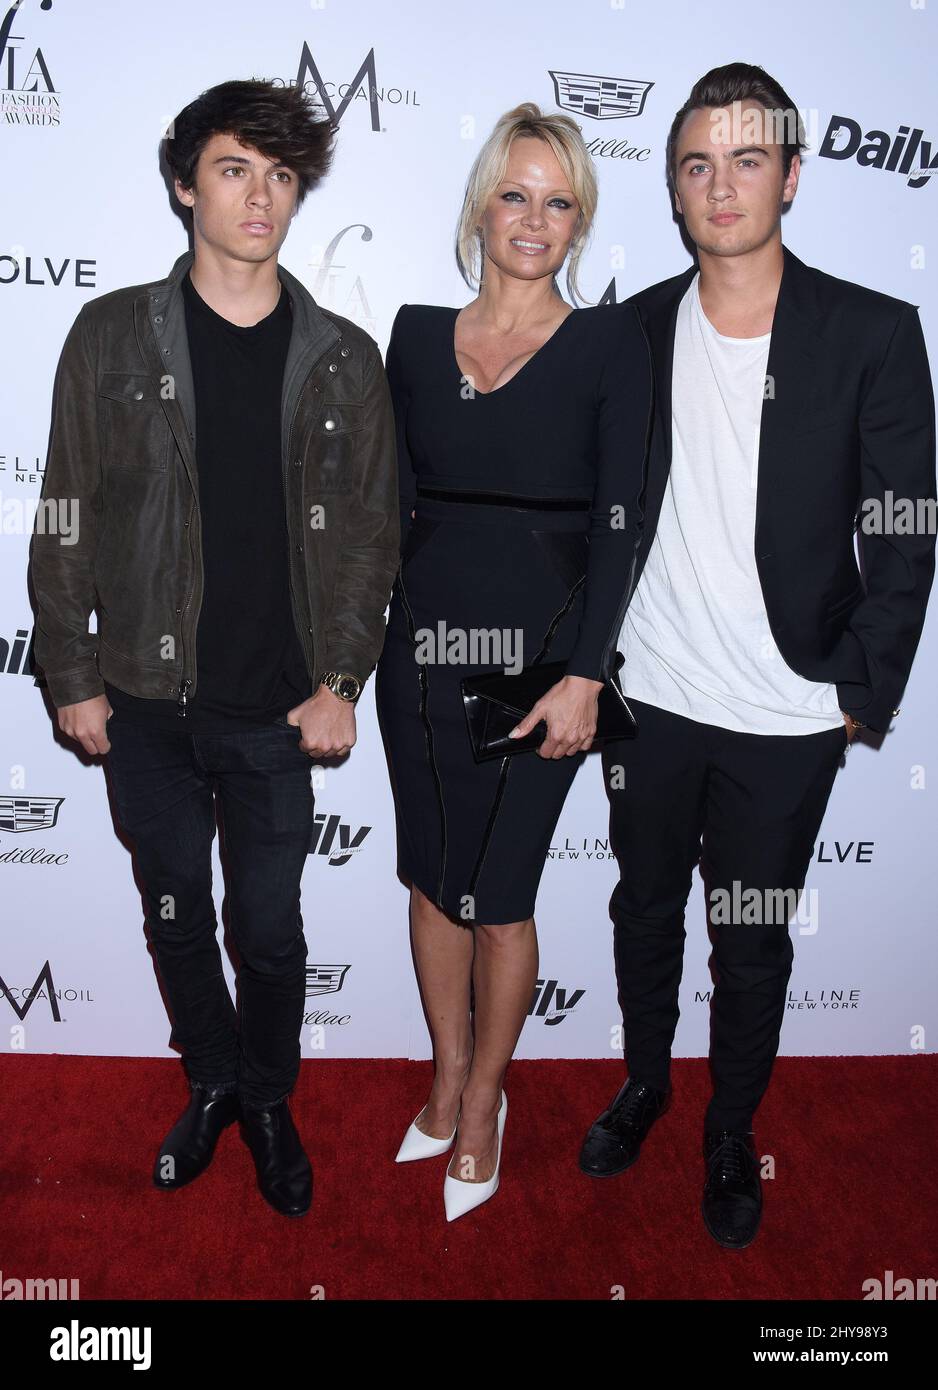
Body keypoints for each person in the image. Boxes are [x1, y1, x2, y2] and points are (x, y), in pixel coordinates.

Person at [579, 63, 936, 1248]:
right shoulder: (628, 330)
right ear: (673, 191)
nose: (719, 184)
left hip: (789, 711)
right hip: (652, 696)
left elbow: (902, 525)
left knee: (750, 936)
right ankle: (642, 1082)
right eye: (694, 163)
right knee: (641, 912)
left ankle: (730, 1129)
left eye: (744, 158)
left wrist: (860, 693)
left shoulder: (870, 332)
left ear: (789, 173)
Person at [28, 79, 399, 1218]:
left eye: (282, 177)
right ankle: (211, 1084)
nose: (261, 198)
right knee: (176, 910)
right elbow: (62, 512)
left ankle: (271, 1098)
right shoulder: (109, 335)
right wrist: (72, 673)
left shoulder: (340, 358)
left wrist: (342, 681)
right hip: (143, 700)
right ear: (185, 183)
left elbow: (371, 538)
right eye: (236, 170)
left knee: (271, 928)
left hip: (279, 710)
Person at [375, 103, 652, 1221]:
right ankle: (443, 1074)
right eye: (514, 193)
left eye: (558, 201)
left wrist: (584, 672)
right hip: (420, 656)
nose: (532, 218)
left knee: (501, 894)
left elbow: (619, 525)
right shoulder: (407, 333)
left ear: (577, 222)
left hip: (544, 665)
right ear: (480, 205)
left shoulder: (608, 345)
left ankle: (484, 1099)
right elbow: (376, 514)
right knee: (432, 874)